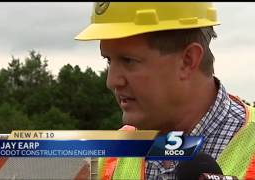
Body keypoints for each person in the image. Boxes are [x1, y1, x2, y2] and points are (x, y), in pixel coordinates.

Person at [75, 2, 255, 180]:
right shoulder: (109, 157)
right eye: (109, 61)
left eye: (128, 61)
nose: (112, 81)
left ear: (187, 60)